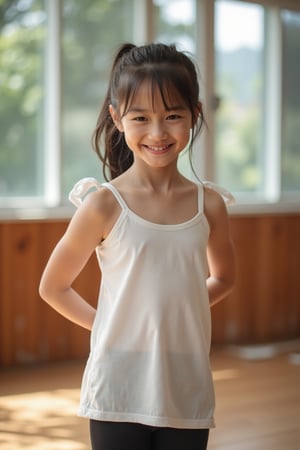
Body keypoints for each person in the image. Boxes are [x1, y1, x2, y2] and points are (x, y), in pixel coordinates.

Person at [39, 42, 235, 450]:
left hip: (186, 383)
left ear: (194, 114)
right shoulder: (103, 204)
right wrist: (115, 325)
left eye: (173, 116)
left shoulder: (210, 204)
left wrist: (176, 314)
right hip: (117, 384)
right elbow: (52, 287)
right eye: (141, 118)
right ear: (117, 118)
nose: (158, 132)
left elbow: (224, 278)